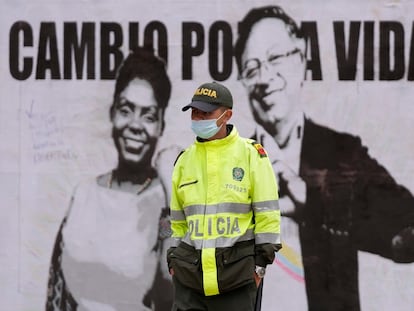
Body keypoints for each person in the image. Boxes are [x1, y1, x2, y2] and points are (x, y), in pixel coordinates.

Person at [234, 5, 414, 311]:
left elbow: (406, 228)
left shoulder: (343, 154)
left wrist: (314, 202)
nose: (264, 78)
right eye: (252, 69)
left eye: (275, 58)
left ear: (301, 58)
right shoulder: (227, 164)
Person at [45, 47, 173, 311]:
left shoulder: (166, 203)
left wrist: (173, 195)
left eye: (148, 116)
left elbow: (172, 295)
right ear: (112, 113)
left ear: (161, 126)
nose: (135, 125)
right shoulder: (83, 194)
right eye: (126, 110)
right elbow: (56, 294)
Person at [166, 81, 282, 311]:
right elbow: (177, 223)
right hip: (189, 280)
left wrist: (259, 267)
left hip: (236, 279)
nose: (198, 118)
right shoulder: (184, 160)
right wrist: (173, 261)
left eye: (206, 113)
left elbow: (268, 216)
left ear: (227, 115)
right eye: (195, 113)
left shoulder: (251, 155)